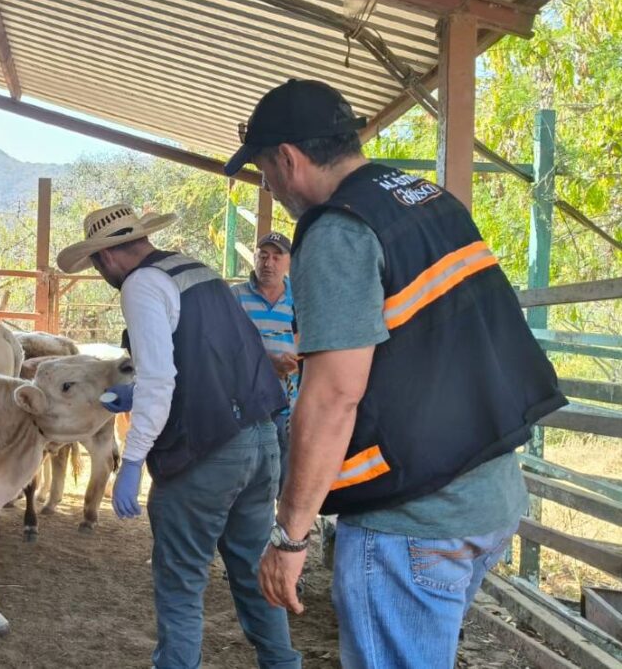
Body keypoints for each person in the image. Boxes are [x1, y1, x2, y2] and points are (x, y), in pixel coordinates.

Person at [224, 78, 567, 668]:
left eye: (264, 171)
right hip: (490, 495)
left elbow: (333, 395)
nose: (271, 188)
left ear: (288, 159)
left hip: (412, 521)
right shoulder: (427, 199)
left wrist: (289, 535)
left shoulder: (337, 231)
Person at [57, 204, 301, 669]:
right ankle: (282, 663)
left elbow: (158, 378)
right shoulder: (199, 271)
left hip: (208, 453)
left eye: (96, 263)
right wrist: (136, 396)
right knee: (251, 570)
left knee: (181, 582)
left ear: (106, 257)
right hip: (260, 439)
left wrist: (131, 462)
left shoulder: (141, 284)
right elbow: (211, 358)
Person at [230, 231, 299, 492]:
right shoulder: (235, 297)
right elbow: (227, 347)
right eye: (263, 255)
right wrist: (269, 363)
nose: (268, 263)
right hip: (246, 408)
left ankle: (282, 532)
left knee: (287, 481)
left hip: (290, 407)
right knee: (246, 484)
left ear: (288, 262)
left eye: (276, 257)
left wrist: (297, 362)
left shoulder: (301, 299)